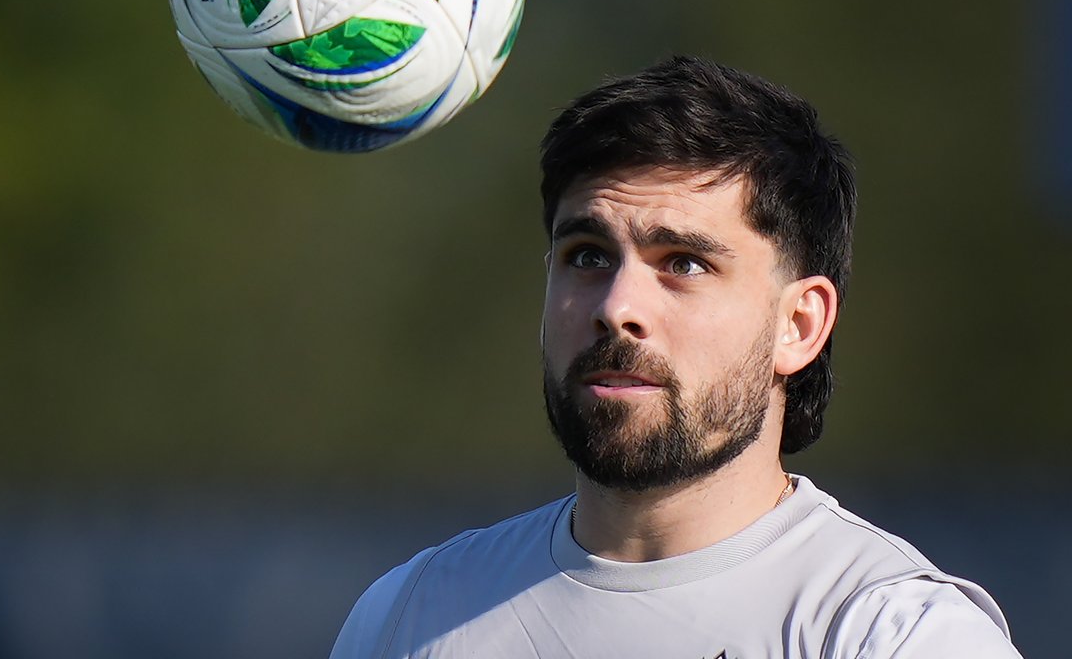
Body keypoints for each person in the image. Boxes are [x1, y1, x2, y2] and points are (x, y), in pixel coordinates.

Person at [328, 56, 1023, 658]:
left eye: (683, 263)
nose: (617, 306)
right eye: (588, 256)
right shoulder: (407, 618)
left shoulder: (889, 635)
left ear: (799, 325)